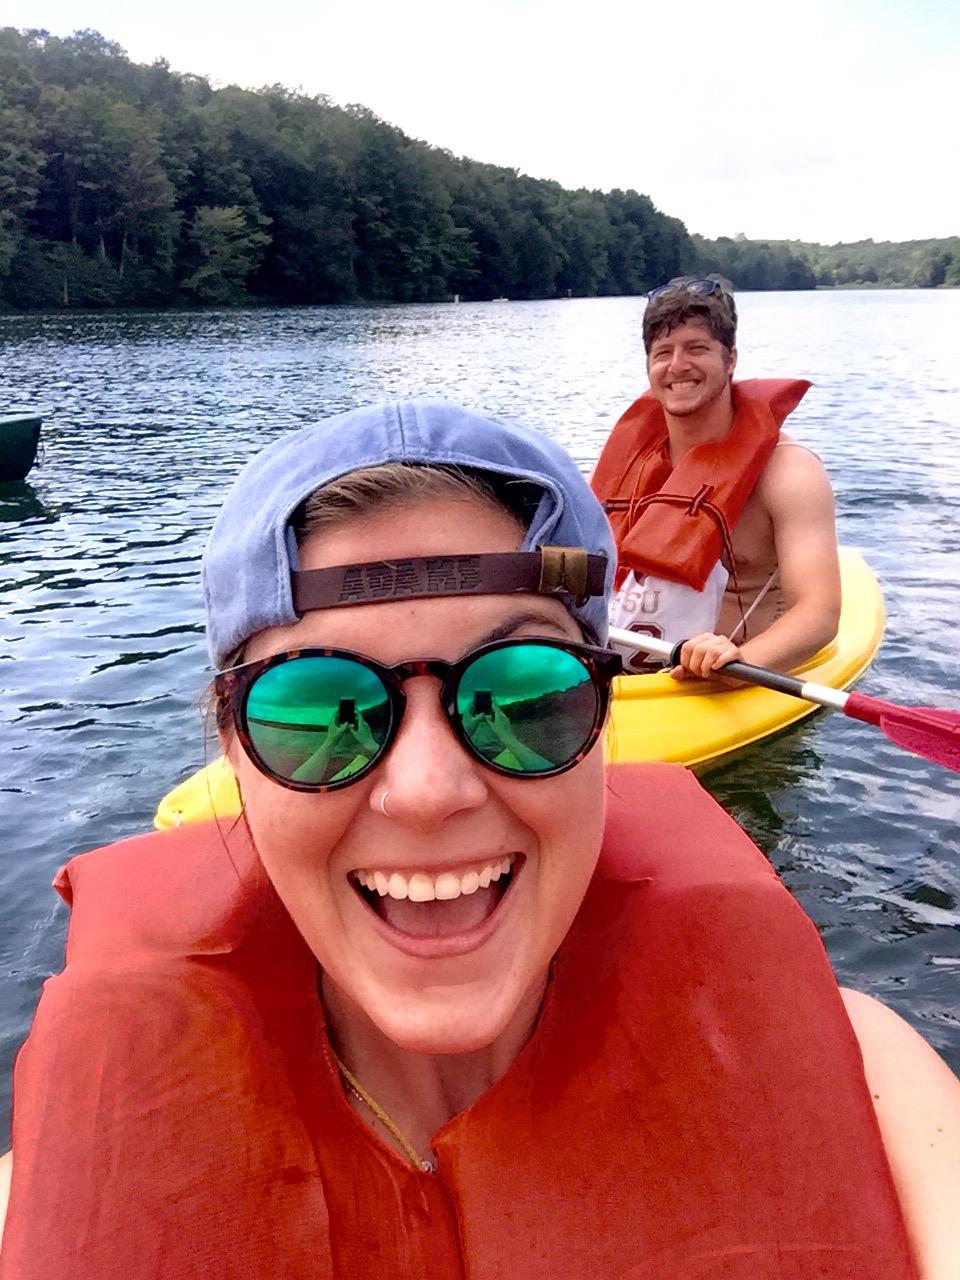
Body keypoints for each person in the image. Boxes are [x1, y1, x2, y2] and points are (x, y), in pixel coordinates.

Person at [1, 400, 958, 1279]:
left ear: (601, 724)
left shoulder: (875, 1090)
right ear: (235, 753)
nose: (426, 792)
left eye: (523, 693)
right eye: (316, 707)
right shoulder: (46, 1183)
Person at [592, 276, 842, 680]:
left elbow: (819, 614)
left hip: (720, 680)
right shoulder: (632, 464)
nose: (677, 366)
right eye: (663, 353)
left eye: (697, 349)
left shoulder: (789, 472)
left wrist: (742, 661)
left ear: (730, 360)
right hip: (618, 678)